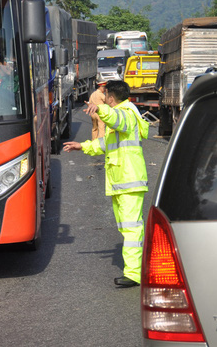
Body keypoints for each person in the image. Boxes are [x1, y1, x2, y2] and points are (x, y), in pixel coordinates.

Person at [63, 80, 149, 288]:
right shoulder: (120, 114)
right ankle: (138, 267)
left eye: (106, 96)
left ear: (111, 97)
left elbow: (118, 120)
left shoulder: (126, 111)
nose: (105, 99)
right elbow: (105, 144)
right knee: (127, 227)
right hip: (122, 180)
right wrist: (81, 146)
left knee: (131, 229)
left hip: (129, 180)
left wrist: (100, 109)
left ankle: (134, 273)